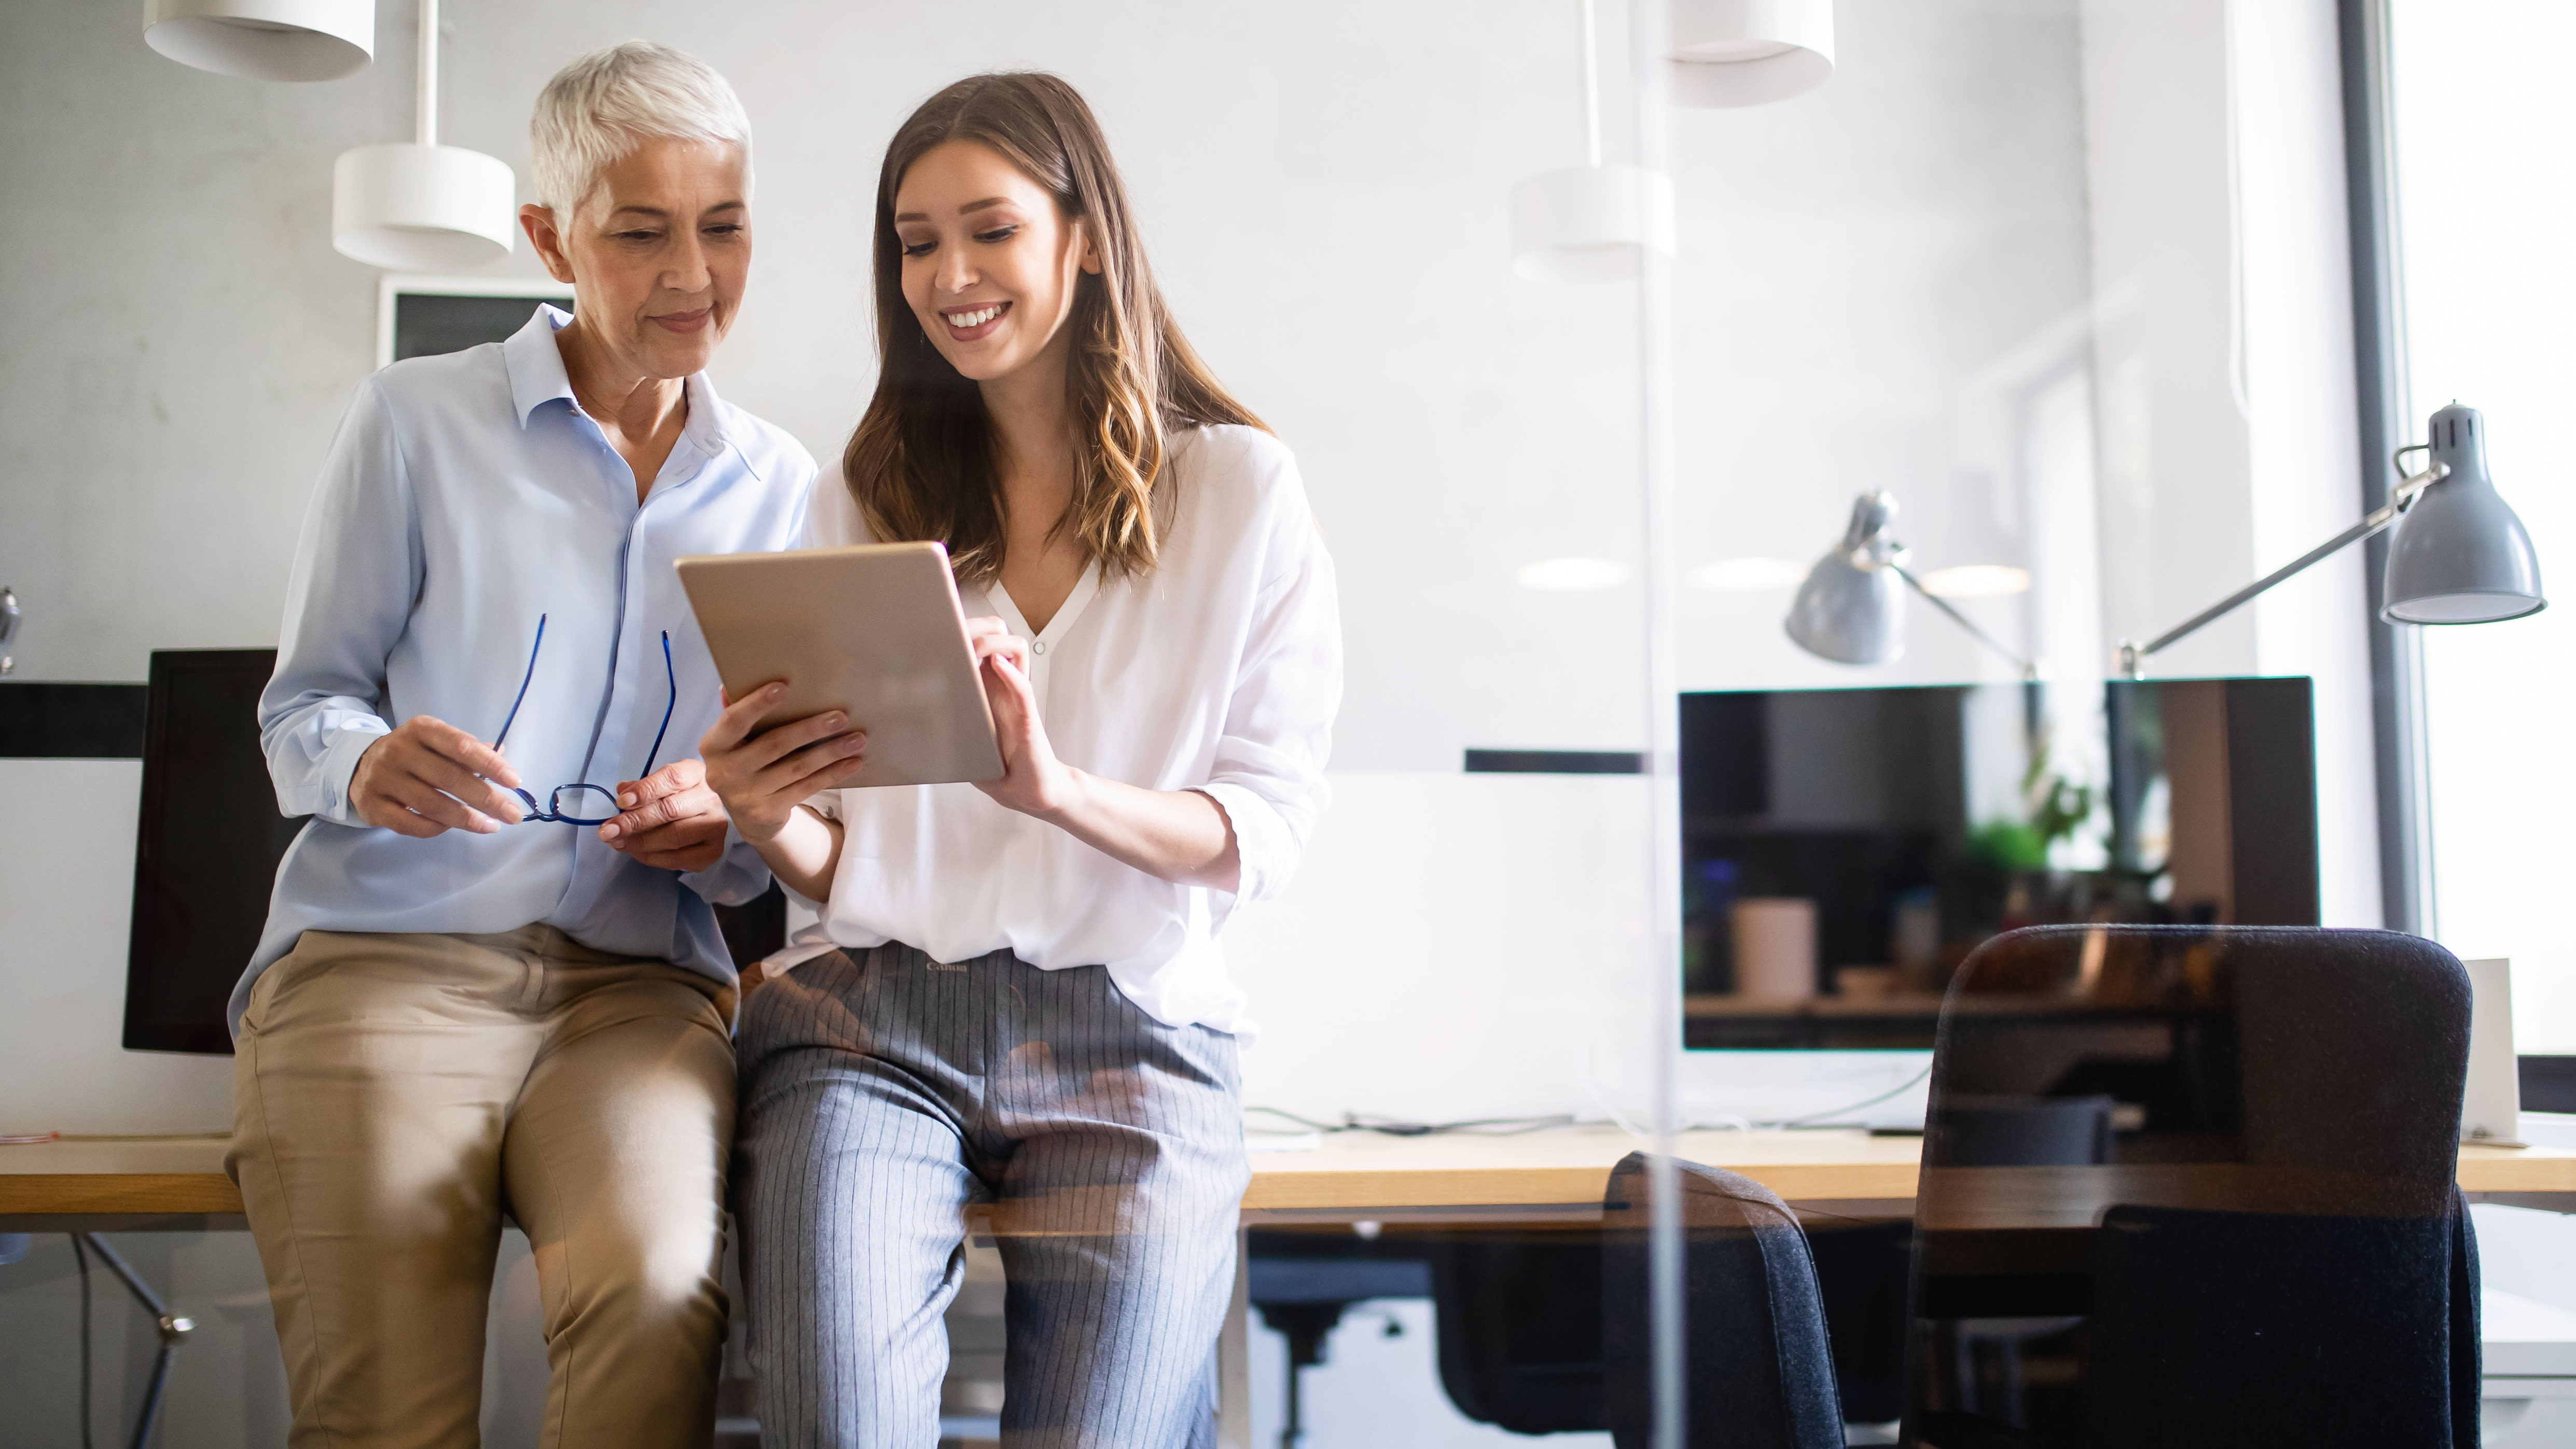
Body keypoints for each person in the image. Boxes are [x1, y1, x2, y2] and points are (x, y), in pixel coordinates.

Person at [702, 71, 1342, 1448]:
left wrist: (1057, 791)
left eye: (988, 229)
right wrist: (768, 821)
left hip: (1137, 1034)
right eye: (916, 243)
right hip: (873, 1020)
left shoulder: (1239, 493)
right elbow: (851, 860)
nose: (949, 274)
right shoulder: (866, 498)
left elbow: (1264, 829)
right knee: (835, 1423)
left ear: (1087, 233)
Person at [228, 43, 821, 1448]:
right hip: (384, 963)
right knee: (390, 1410)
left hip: (636, 997)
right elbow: (301, 706)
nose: (694, 271)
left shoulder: (787, 488)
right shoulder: (411, 424)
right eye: (642, 230)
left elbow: (769, 833)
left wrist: (719, 832)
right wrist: (365, 763)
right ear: (549, 236)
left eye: (724, 225)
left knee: (663, 1294)